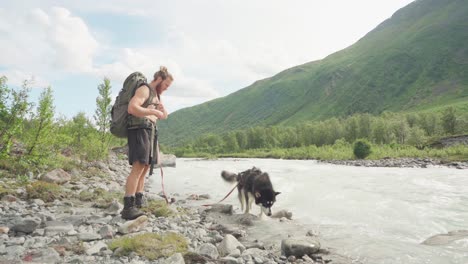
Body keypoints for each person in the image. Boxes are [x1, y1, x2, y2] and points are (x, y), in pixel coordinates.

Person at [120, 66, 173, 220]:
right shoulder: (145, 89)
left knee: (145, 167)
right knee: (138, 167)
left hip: (150, 131)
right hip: (139, 129)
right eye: (166, 85)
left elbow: (164, 116)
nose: (166, 89)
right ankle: (128, 207)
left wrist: (161, 110)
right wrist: (153, 112)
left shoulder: (157, 95)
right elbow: (132, 108)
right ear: (159, 79)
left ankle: (138, 200)